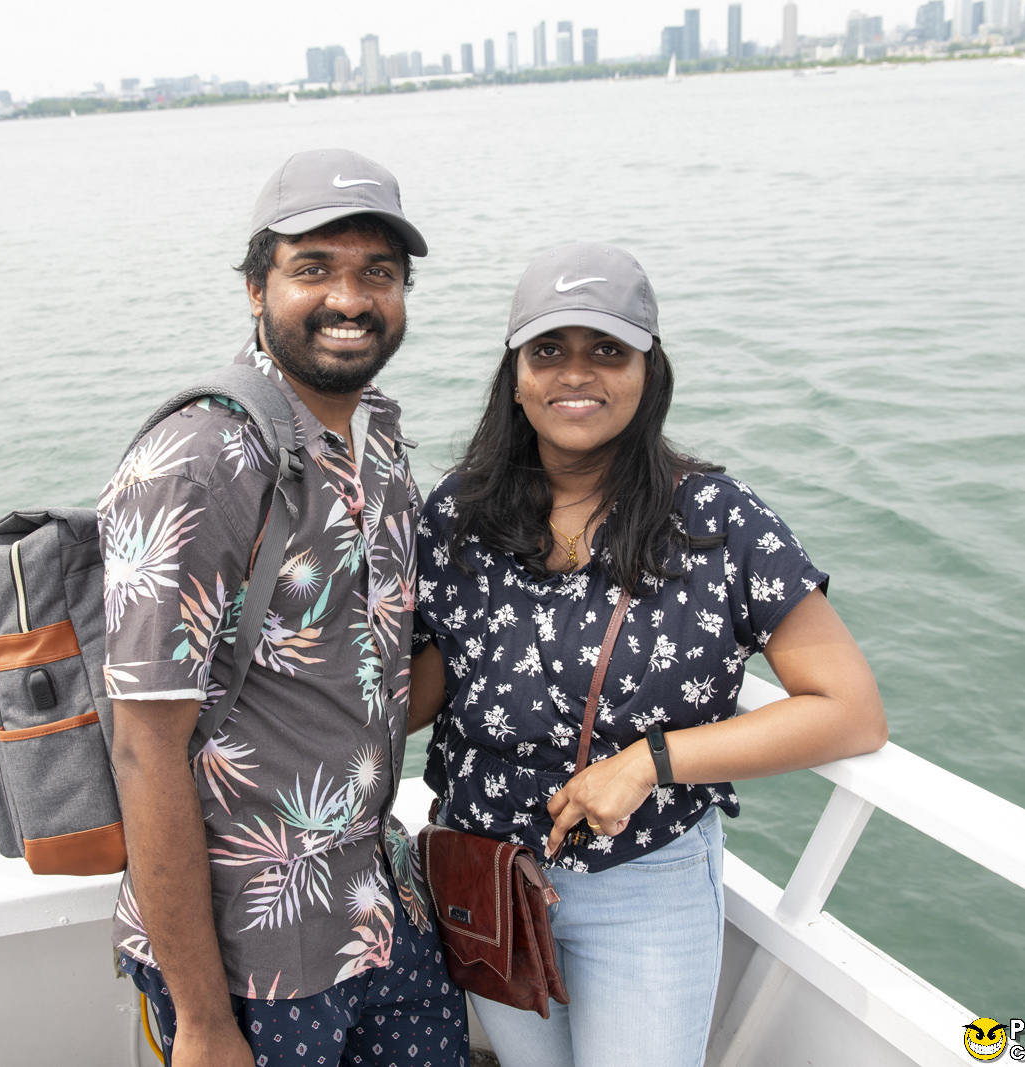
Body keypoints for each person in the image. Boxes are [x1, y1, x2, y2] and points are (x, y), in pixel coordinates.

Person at [408, 242, 887, 1067]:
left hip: (641, 882)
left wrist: (647, 763)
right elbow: (429, 681)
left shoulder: (717, 521)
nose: (575, 374)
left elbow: (851, 712)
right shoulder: (461, 511)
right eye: (548, 350)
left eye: (607, 349)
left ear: (647, 370)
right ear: (515, 375)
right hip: (484, 870)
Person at [100, 150, 468, 1067]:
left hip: (379, 904)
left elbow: (367, 680)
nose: (350, 298)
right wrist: (203, 1019)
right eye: (314, 269)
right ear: (256, 289)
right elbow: (144, 748)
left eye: (377, 273)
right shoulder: (199, 460)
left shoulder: (378, 438)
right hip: (251, 957)